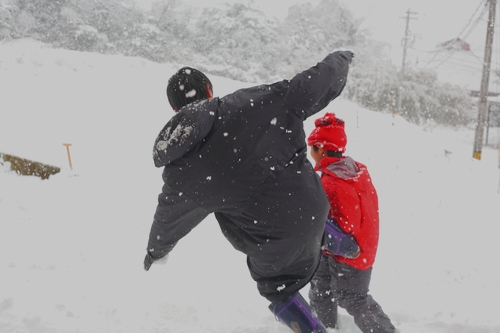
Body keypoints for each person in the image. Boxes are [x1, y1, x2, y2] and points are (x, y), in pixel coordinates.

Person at [143, 50, 353, 333]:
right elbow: (313, 84)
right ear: (209, 89)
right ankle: (335, 240)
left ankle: (313, 330)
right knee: (301, 218)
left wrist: (156, 251)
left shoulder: (182, 171)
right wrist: (340, 60)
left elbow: (167, 219)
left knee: (275, 289)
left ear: (174, 110)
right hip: (313, 208)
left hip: (270, 242)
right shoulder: (258, 101)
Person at [307, 112, 396, 333]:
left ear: (321, 148)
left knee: (352, 297)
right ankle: (323, 327)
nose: (310, 152)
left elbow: (344, 228)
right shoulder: (352, 170)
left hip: (351, 251)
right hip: (355, 245)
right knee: (320, 284)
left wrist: (314, 222)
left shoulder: (333, 182)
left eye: (312, 147)